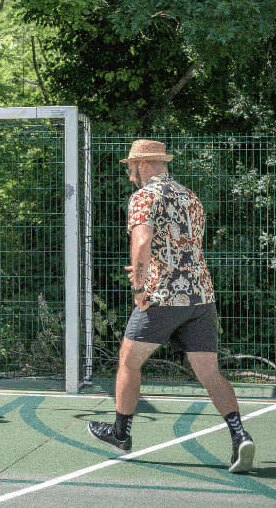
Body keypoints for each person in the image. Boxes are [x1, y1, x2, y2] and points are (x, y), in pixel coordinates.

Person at [88, 140, 256, 473]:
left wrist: (138, 285)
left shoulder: (143, 197)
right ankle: (240, 436)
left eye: (131, 166)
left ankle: (121, 432)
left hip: (163, 296)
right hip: (201, 297)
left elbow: (142, 240)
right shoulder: (190, 197)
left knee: (127, 360)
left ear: (144, 164)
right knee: (209, 372)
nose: (129, 172)